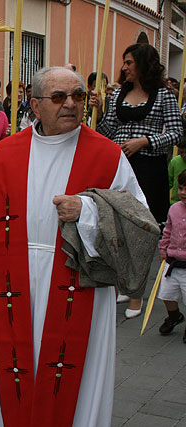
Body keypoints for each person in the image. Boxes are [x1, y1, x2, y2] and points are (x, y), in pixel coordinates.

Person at [0, 67, 146, 426]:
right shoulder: (6, 152)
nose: (70, 104)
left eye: (77, 97)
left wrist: (86, 210)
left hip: (78, 279)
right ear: (35, 106)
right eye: (58, 97)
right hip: (12, 280)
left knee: (71, 374)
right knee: (6, 370)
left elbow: (138, 221)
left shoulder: (107, 154)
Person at [90, 43, 183, 317]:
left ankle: (136, 294)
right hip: (118, 166)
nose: (124, 67)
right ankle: (122, 284)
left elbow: (177, 133)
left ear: (143, 64)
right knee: (116, 226)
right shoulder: (119, 93)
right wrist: (100, 108)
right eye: (124, 62)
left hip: (148, 167)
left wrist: (146, 140)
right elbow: (106, 130)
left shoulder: (163, 95)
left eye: (129, 62)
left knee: (142, 230)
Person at [158, 170, 186, 341]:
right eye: (181, 188)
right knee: (167, 294)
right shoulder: (174, 209)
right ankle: (174, 316)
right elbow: (167, 231)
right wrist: (163, 250)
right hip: (173, 262)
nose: (183, 193)